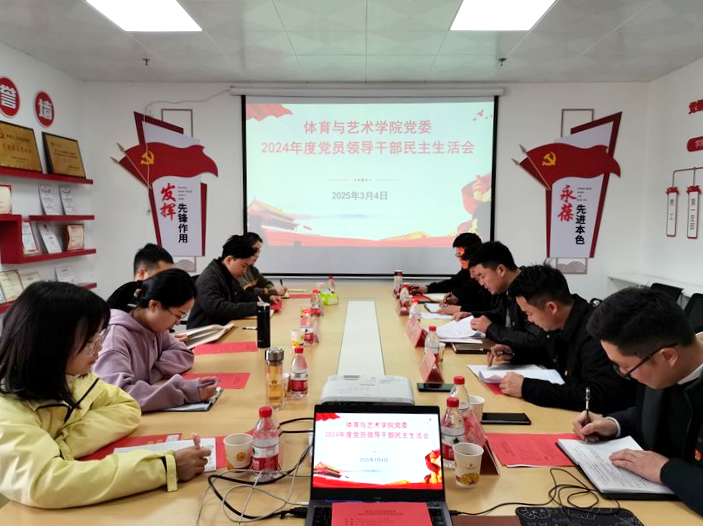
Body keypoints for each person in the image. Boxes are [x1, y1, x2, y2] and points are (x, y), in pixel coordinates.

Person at [0, 282, 210, 509]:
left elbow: (127, 406)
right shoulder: (7, 408)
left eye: (99, 337)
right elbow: (47, 483)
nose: (99, 349)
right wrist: (164, 467)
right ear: (51, 346)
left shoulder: (74, 378)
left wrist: (65, 446)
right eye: (90, 342)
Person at [573, 288, 703, 517]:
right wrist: (613, 424)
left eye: (625, 367)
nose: (625, 375)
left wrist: (665, 470)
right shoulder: (663, 360)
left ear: (668, 356)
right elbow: (659, 416)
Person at [489, 264, 636, 412]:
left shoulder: (594, 334)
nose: (530, 320)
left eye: (529, 313)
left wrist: (526, 387)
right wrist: (513, 352)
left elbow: (597, 395)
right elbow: (541, 349)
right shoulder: (559, 322)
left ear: (551, 307)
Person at [94, 269, 218, 412]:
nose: (178, 323)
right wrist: (185, 392)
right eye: (178, 315)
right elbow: (118, 397)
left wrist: (152, 372)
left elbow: (184, 354)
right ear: (153, 305)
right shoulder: (115, 339)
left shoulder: (155, 327)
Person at [456, 241, 543, 350]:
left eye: (482, 276)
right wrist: (473, 315)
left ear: (501, 270)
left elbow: (534, 340)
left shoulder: (531, 289)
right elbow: (501, 314)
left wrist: (490, 328)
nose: (481, 283)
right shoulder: (507, 288)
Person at [187, 235, 281, 328]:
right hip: (204, 332)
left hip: (223, 328)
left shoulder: (228, 275)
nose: (245, 271)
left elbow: (244, 296)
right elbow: (217, 309)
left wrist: (268, 298)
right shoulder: (209, 278)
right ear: (229, 260)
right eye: (243, 266)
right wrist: (256, 307)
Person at [407, 233, 490, 314]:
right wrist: (427, 288)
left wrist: (458, 300)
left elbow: (487, 307)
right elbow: (454, 282)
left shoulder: (487, 274)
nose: (460, 259)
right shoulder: (466, 269)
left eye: (461, 255)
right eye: (457, 255)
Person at [240, 232, 286, 298]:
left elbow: (265, 282)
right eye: (255, 250)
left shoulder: (253, 269)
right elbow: (249, 292)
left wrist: (271, 291)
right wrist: (273, 291)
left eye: (259, 251)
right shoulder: (237, 270)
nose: (257, 255)